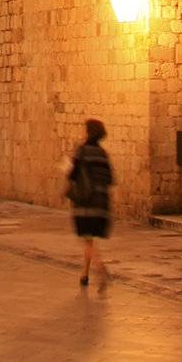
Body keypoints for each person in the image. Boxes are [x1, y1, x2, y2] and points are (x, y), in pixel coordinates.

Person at [66, 118, 114, 291]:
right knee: (89, 239)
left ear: (89, 132)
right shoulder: (103, 154)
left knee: (87, 239)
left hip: (86, 202)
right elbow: (110, 179)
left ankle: (101, 270)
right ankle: (84, 275)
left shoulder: (82, 151)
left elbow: (72, 174)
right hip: (102, 204)